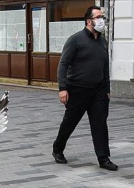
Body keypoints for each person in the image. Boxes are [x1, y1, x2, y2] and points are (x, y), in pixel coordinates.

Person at [52, 5, 117, 171]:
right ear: (89, 21)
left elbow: (105, 67)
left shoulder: (103, 41)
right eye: (98, 17)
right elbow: (63, 64)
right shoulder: (75, 40)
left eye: (102, 17)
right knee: (70, 122)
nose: (102, 20)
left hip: (99, 92)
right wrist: (62, 88)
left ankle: (104, 158)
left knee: (100, 124)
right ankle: (58, 149)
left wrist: (107, 89)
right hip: (77, 90)